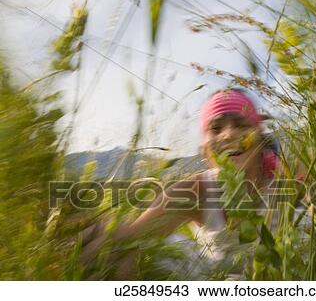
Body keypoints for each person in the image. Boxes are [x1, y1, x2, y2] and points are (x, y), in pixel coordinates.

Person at [80, 88, 296, 279]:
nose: (228, 134)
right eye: (216, 128)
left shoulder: (288, 180)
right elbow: (134, 234)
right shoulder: (194, 190)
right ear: (204, 149)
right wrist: (100, 236)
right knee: (124, 258)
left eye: (241, 124)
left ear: (260, 137)